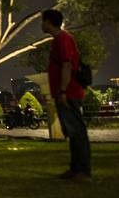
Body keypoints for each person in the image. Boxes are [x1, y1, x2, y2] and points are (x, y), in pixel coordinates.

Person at [42, 9, 91, 182]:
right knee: (72, 131)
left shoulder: (63, 38)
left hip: (69, 92)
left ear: (48, 22)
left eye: (43, 21)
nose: (42, 24)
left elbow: (66, 65)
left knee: (77, 131)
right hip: (65, 92)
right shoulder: (60, 39)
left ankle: (83, 172)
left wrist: (62, 91)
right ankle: (75, 169)